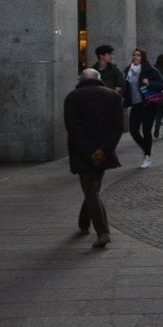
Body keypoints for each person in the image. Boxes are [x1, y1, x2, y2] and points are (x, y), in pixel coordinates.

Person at [64, 68, 124, 248]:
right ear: (99, 79)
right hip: (104, 151)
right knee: (93, 187)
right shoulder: (113, 97)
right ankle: (83, 222)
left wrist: (88, 151)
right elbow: (117, 127)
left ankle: (103, 231)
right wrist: (103, 150)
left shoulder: (73, 97)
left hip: (82, 152)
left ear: (80, 80)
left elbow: (73, 127)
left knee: (91, 190)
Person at [124, 49, 163, 169]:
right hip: (136, 105)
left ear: (143, 57)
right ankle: (147, 148)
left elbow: (162, 84)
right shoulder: (129, 70)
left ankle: (147, 156)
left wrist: (149, 83)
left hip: (148, 105)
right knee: (133, 130)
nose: (135, 57)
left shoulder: (150, 70)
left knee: (146, 131)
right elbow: (126, 88)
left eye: (138, 55)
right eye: (134, 55)